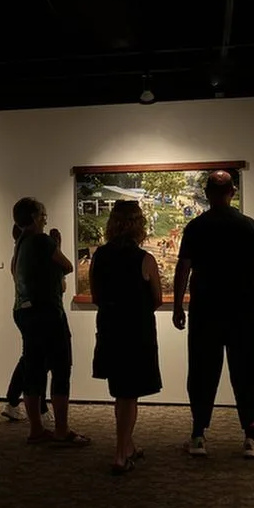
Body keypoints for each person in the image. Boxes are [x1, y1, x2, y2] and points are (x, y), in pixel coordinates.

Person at [172, 171, 254, 459]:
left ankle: (198, 435)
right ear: (232, 192)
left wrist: (178, 305)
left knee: (202, 371)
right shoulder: (249, 226)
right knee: (247, 372)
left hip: (205, 310)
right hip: (242, 310)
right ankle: (251, 435)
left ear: (207, 193)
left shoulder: (196, 227)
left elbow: (183, 268)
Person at [89, 201, 163, 474]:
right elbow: (157, 298)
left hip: (110, 328)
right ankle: (120, 454)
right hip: (136, 330)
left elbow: (96, 296)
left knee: (121, 391)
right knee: (129, 395)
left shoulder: (99, 256)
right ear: (138, 225)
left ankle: (128, 445)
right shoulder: (145, 259)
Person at [12, 197, 90, 447]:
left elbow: (17, 273)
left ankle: (36, 429)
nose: (45, 219)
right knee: (60, 367)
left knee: (33, 369)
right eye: (43, 214)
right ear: (34, 217)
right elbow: (67, 266)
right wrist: (57, 244)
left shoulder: (20, 243)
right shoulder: (42, 240)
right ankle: (61, 429)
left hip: (24, 312)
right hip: (48, 312)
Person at [2, 223, 53, 429]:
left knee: (31, 357)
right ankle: (36, 406)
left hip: (25, 310)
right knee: (37, 359)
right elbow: (63, 274)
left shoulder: (18, 257)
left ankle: (16, 401)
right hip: (36, 311)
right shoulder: (28, 256)